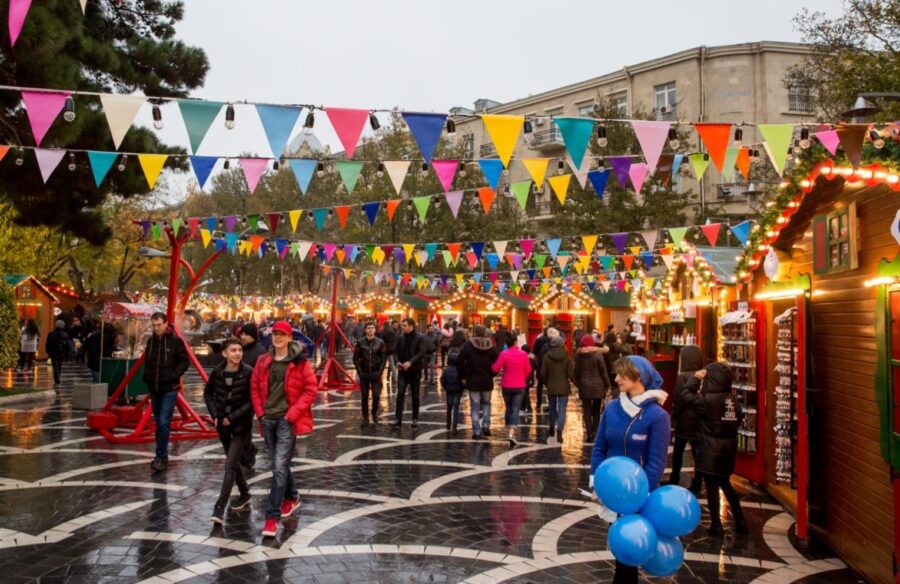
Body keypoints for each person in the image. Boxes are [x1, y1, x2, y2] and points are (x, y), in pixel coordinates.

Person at [591, 356, 671, 584]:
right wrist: (596, 483)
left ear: (639, 376)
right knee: (619, 550)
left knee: (627, 555)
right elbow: (599, 447)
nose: (616, 379)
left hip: (638, 497)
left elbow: (656, 462)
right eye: (616, 374)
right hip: (612, 493)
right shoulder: (612, 408)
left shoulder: (658, 417)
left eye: (622, 374)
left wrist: (637, 496)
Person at [250, 320, 318, 538]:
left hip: (286, 421)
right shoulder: (263, 360)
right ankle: (293, 496)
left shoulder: (299, 362)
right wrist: (260, 412)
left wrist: (291, 415)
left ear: (290, 338)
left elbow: (311, 390)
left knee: (278, 466)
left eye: (282, 334)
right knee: (280, 464)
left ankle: (272, 517)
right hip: (268, 419)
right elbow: (255, 387)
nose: (277, 338)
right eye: (275, 334)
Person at [680, 362, 748, 536]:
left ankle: (716, 525)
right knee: (726, 484)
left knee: (711, 487)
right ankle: (740, 521)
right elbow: (739, 419)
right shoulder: (732, 400)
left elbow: (685, 395)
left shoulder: (707, 400)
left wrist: (695, 379)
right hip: (728, 448)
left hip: (709, 448)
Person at [204, 338, 254, 525]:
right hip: (222, 425)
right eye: (233, 350)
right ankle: (245, 493)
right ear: (224, 353)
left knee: (230, 464)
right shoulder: (217, 372)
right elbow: (207, 393)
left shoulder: (248, 372)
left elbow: (252, 400)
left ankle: (219, 507)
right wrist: (215, 414)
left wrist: (233, 416)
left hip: (241, 426)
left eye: (239, 350)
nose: (237, 353)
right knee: (232, 464)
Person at [142, 313, 190, 472]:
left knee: (163, 422)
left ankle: (159, 456)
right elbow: (148, 361)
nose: (156, 328)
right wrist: (147, 378)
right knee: (159, 423)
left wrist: (174, 376)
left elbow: (185, 361)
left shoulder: (175, 341)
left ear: (165, 324)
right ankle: (162, 455)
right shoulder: (151, 341)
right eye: (153, 325)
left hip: (169, 388)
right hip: (154, 388)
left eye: (159, 325)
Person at [669, 344, 704, 494]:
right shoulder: (703, 376)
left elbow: (678, 398)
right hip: (699, 420)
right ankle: (698, 482)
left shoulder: (683, 376)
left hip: (684, 420)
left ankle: (674, 477)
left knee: (678, 451)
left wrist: (674, 416)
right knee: (698, 453)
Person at [456, 324, 499, 440]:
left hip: (473, 380)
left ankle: (476, 431)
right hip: (487, 381)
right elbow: (498, 363)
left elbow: (459, 362)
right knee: (486, 404)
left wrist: (463, 376)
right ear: (485, 333)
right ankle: (486, 426)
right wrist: (492, 373)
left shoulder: (468, 346)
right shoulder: (491, 346)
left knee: (474, 406)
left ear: (474, 332)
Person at [491, 332, 532, 446]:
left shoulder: (504, 354)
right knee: (515, 409)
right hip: (519, 385)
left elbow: (495, 368)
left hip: (506, 385)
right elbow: (528, 369)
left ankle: (509, 430)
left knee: (508, 407)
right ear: (515, 342)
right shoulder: (523, 354)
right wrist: (521, 377)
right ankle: (511, 433)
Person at [574, 335, 611, 444]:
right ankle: (595, 431)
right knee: (596, 410)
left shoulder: (578, 356)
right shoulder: (598, 355)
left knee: (586, 410)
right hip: (598, 386)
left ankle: (589, 433)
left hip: (584, 386)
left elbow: (575, 372)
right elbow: (603, 371)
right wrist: (607, 384)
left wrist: (578, 384)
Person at [541, 335, 575, 444]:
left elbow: (543, 374)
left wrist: (547, 383)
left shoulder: (547, 356)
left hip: (551, 386)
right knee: (562, 410)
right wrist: (577, 383)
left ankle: (551, 428)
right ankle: (559, 431)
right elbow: (570, 373)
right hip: (564, 386)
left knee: (551, 408)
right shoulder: (566, 356)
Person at [353, 321, 387, 426]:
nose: (370, 330)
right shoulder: (360, 342)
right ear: (365, 330)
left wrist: (380, 372)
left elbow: (383, 358)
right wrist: (360, 372)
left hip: (376, 374)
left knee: (376, 396)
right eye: (368, 328)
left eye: (372, 328)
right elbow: (355, 358)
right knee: (364, 396)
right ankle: (365, 417)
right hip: (364, 374)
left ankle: (374, 414)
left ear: (375, 330)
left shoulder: (380, 342)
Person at [393, 318, 425, 428]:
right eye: (402, 325)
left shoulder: (420, 337)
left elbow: (422, 352)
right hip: (402, 371)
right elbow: (395, 352)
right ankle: (398, 419)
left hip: (415, 371)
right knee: (400, 394)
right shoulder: (400, 337)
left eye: (404, 325)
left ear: (411, 326)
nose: (402, 327)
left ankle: (415, 418)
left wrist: (411, 362)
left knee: (415, 395)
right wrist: (397, 362)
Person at [440, 351, 464, 435]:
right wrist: (462, 389)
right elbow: (463, 381)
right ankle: (454, 426)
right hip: (457, 391)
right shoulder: (460, 370)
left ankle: (448, 424)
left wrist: (445, 387)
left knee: (449, 408)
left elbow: (442, 380)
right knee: (456, 409)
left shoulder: (446, 370)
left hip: (449, 391)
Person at [378, 320, 398, 389]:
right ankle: (394, 379)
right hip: (391, 351)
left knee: (382, 365)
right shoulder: (392, 332)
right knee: (392, 365)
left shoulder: (382, 332)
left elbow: (380, 341)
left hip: (384, 351)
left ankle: (379, 380)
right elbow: (395, 341)